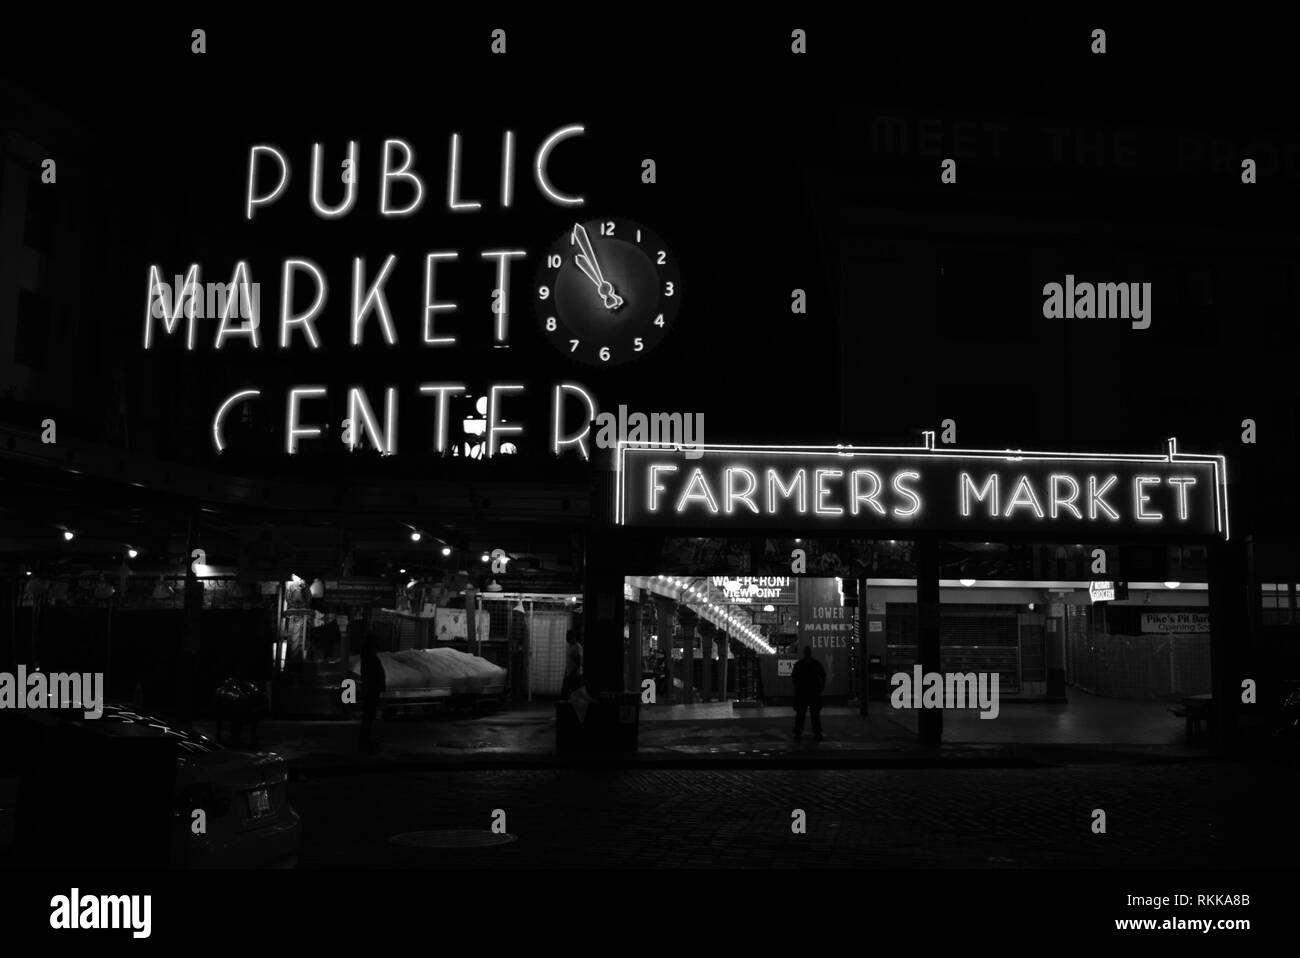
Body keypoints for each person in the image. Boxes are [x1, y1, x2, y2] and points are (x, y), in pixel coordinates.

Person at [790, 646, 826, 741]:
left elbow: (794, 678)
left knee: (800, 715)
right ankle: (817, 733)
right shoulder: (816, 663)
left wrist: (797, 690)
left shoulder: (799, 664)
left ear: (804, 653)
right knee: (815, 715)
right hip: (814, 692)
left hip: (802, 692)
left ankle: (798, 733)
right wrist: (821, 689)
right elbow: (823, 676)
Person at [560, 629, 584, 698]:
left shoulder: (578, 647)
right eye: (566, 637)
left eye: (568, 637)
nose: (566, 639)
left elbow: (579, 662)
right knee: (565, 692)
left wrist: (572, 674)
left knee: (575, 693)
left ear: (573, 636)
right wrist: (566, 672)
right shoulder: (569, 646)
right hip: (569, 674)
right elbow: (569, 661)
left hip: (576, 675)